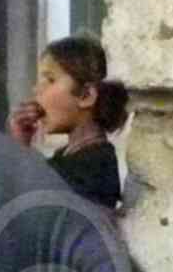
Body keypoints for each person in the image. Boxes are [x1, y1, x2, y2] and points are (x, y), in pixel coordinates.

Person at [7, 34, 126, 213]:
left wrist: (20, 151)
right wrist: (21, 144)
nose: (36, 90)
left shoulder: (94, 166)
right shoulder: (66, 157)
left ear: (86, 96)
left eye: (50, 80)